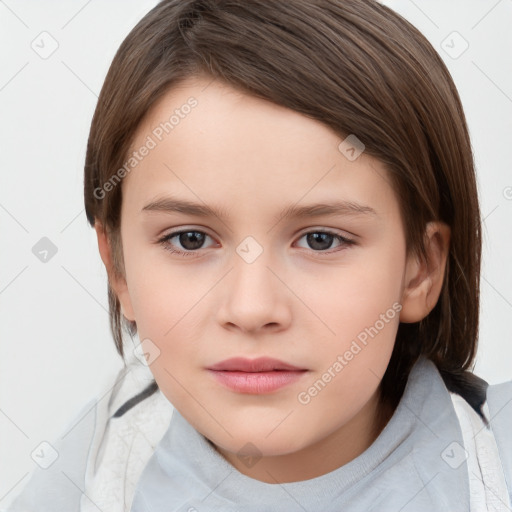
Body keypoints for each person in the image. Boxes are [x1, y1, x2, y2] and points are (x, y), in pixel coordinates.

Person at [7, 0, 512, 510]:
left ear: (419, 269)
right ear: (117, 267)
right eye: (190, 239)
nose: (251, 309)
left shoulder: (494, 463)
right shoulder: (96, 467)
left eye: (321, 239)